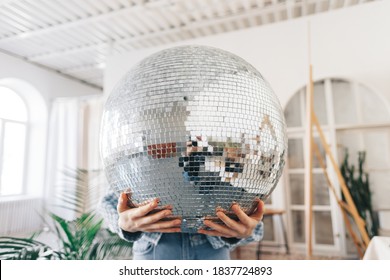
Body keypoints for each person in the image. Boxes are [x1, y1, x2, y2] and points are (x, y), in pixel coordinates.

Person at [100, 188, 265, 260]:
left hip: (212, 248)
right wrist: (122, 223)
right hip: (154, 249)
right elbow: (109, 201)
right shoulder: (140, 141)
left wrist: (243, 228)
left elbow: (249, 204)